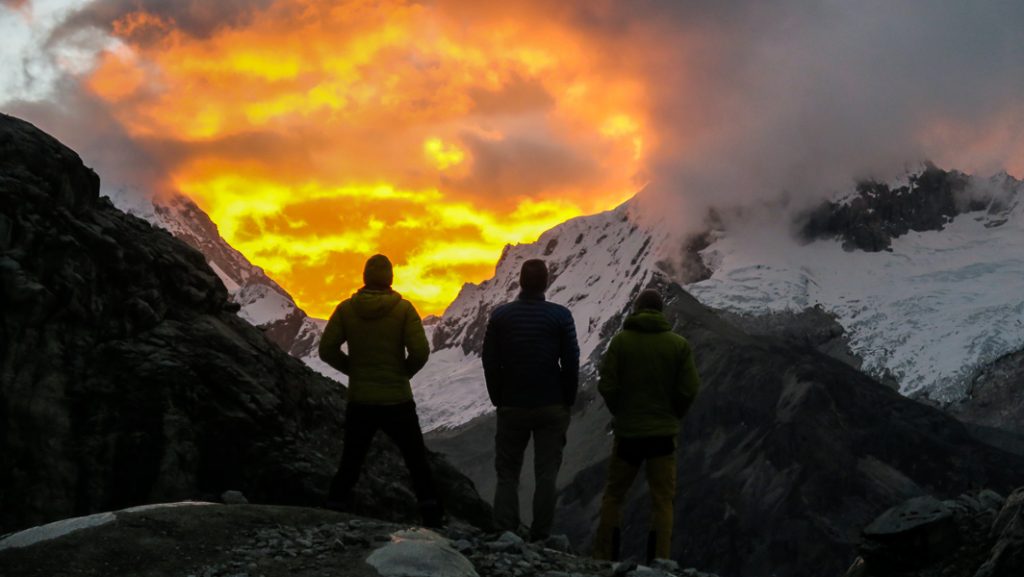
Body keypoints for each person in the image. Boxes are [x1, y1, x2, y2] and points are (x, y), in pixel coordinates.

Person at [318, 254, 443, 527]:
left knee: (351, 459)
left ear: (365, 277)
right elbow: (420, 351)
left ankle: (334, 511)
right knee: (416, 461)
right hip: (397, 398)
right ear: (390, 278)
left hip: (360, 399)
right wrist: (402, 373)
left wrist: (354, 370)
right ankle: (433, 518)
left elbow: (326, 350)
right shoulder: (404, 310)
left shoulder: (346, 310)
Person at [592, 288, 700, 563]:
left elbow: (607, 384)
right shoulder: (678, 345)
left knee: (614, 495)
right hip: (663, 437)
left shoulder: (620, 342)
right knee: (662, 500)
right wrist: (673, 413)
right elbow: (689, 388)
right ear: (661, 312)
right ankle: (660, 561)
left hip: (628, 434)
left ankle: (605, 558)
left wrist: (622, 411)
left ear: (636, 309)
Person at [482, 258, 580, 541]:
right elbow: (571, 361)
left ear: (521, 282)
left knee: (508, 470)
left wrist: (497, 397)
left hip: (512, 403)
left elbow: (490, 360)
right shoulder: (561, 316)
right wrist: (567, 399)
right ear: (546, 282)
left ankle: (505, 529)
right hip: (551, 404)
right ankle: (540, 536)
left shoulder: (501, 317)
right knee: (547, 472)